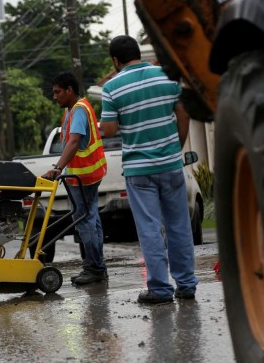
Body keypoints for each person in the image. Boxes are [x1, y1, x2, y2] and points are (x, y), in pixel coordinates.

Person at [100, 35, 199, 304]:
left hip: (138, 169)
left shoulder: (112, 88)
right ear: (138, 54)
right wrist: (175, 148)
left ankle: (160, 289)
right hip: (170, 164)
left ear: (115, 61)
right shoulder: (166, 77)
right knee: (179, 225)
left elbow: (109, 130)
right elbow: (184, 113)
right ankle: (187, 284)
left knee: (150, 229)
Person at [42, 72, 108, 285]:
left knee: (85, 221)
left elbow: (74, 141)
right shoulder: (76, 108)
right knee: (92, 219)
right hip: (86, 174)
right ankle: (98, 267)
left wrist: (57, 168)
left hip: (83, 176)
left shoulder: (79, 110)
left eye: (57, 92)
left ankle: (94, 268)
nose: (55, 97)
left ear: (69, 90)